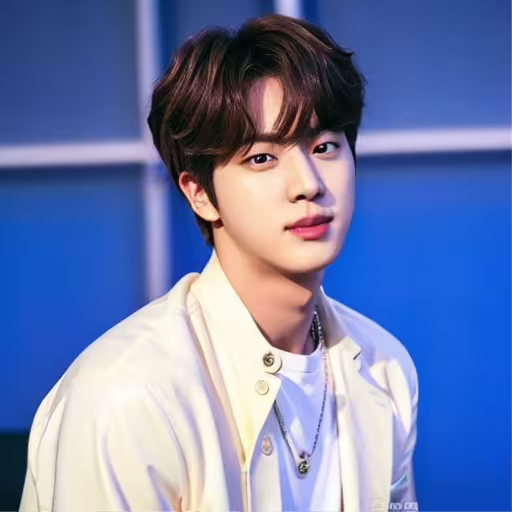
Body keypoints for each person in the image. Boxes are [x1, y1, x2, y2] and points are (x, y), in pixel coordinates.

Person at [19, 14, 419, 512]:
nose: (309, 184)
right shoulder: (129, 396)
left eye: (324, 147)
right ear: (200, 194)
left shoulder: (385, 368)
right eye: (262, 158)